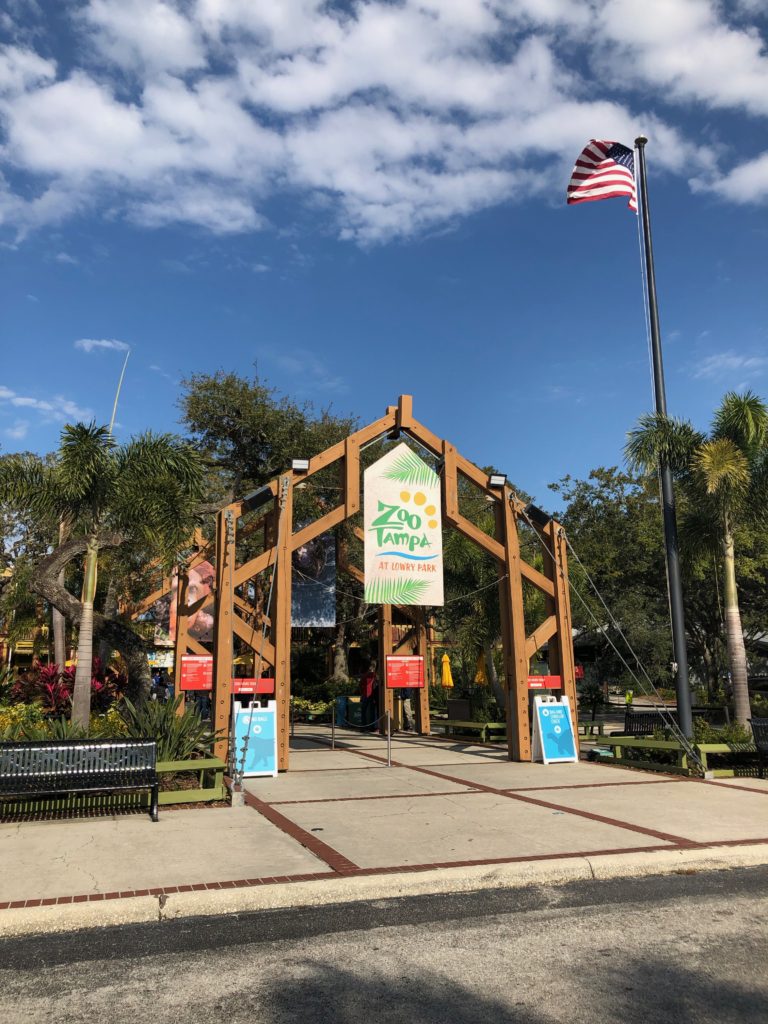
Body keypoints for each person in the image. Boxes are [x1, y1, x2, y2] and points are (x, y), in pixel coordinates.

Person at [359, 662, 378, 732]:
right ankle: (372, 727)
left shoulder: (364, 676)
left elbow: (360, 685)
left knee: (363, 711)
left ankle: (363, 727)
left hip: (365, 694)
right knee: (372, 711)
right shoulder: (374, 675)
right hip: (372, 695)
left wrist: (362, 693)